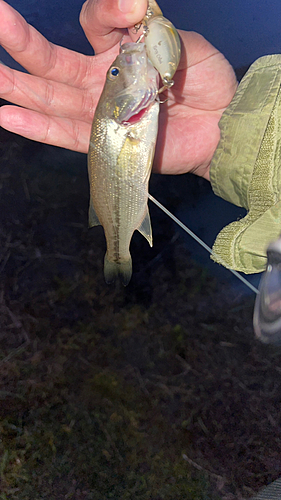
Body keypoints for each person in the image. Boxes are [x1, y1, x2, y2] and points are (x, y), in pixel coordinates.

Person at [0, 0, 280, 274]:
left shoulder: (128, 115)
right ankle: (117, 253)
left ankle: (117, 251)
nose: (122, 64)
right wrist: (231, 132)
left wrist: (225, 125)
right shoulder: (121, 119)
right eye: (115, 72)